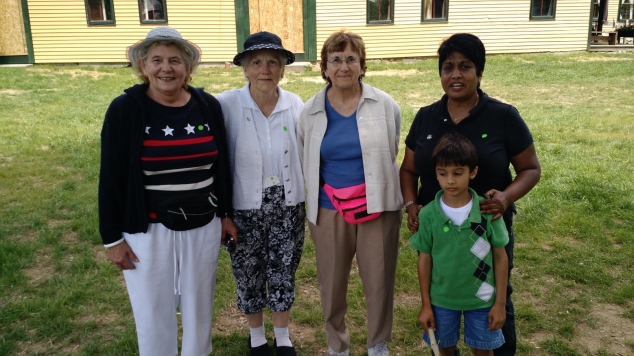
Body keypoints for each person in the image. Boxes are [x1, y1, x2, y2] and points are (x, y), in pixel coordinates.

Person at [400, 33, 541, 356]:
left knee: (493, 296)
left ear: (479, 72)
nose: (456, 75)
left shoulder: (503, 116)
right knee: (442, 295)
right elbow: (407, 170)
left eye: (465, 67)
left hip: (487, 225)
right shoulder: (426, 117)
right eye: (448, 67)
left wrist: (505, 198)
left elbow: (530, 169)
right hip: (438, 228)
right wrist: (411, 204)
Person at [98, 26, 235, 356]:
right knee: (152, 309)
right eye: (156, 60)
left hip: (202, 226)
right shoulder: (125, 110)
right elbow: (111, 177)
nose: (166, 68)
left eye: (175, 60)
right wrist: (113, 239)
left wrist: (226, 215)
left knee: (199, 307)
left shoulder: (207, 106)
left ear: (188, 67)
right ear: (143, 67)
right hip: (148, 230)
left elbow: (222, 167)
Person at [297, 30, 403, 356]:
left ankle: (377, 344)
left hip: (377, 207)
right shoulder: (310, 111)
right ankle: (337, 346)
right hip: (328, 209)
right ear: (325, 67)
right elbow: (306, 156)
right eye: (335, 60)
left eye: (351, 59)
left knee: (379, 281)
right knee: (332, 284)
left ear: (362, 65)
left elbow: (391, 147)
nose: (343, 66)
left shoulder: (384, 105)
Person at [215, 31, 305, 356]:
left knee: (283, 270)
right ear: (245, 68)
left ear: (283, 68)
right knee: (248, 270)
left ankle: (282, 336)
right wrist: (223, 211)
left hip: (288, 203)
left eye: (273, 62)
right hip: (243, 205)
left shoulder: (296, 105)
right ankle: (256, 337)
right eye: (256, 63)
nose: (265, 69)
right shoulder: (226, 105)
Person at [410, 133, 509, 356]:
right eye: (442, 174)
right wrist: (426, 305)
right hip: (441, 300)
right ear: (435, 174)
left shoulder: (488, 212)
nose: (450, 181)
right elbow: (424, 260)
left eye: (458, 173)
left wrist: (500, 303)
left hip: (483, 299)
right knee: (443, 350)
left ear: (472, 172)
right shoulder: (427, 215)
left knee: (483, 351)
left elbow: (501, 257)